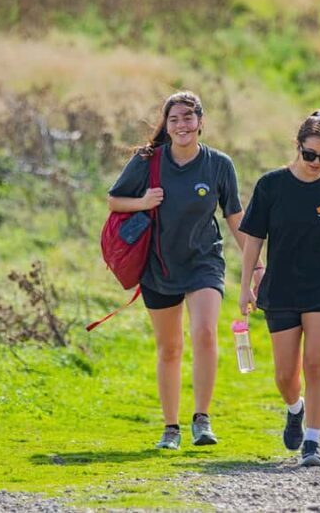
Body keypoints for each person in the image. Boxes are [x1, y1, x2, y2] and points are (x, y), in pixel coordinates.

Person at [107, 91, 261, 450]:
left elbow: (235, 216)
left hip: (203, 262)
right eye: (174, 119)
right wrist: (143, 202)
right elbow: (114, 200)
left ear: (201, 122)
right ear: (167, 124)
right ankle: (170, 428)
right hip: (158, 265)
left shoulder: (219, 164)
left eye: (188, 118)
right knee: (170, 347)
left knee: (205, 332)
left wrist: (255, 265)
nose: (182, 126)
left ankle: (202, 420)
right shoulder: (148, 161)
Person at [238, 110, 320, 467]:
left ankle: (313, 443)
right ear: (298, 146)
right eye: (310, 154)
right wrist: (245, 288)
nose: (316, 162)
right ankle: (295, 408)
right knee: (285, 375)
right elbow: (253, 240)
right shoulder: (271, 186)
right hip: (281, 289)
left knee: (315, 365)